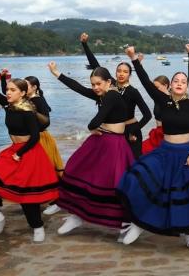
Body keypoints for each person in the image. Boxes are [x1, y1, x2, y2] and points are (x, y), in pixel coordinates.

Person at [117, 46, 189, 252]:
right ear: (170, 86)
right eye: (176, 81)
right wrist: (134, 59)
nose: (179, 84)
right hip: (165, 152)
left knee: (186, 198)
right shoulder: (164, 100)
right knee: (139, 178)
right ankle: (138, 223)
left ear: (187, 86)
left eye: (183, 81)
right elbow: (145, 81)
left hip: (187, 154)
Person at [47, 62, 135, 239]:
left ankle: (125, 224)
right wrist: (58, 74)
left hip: (113, 144)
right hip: (103, 141)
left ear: (108, 82)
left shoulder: (111, 96)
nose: (95, 88)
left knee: (112, 182)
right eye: (93, 84)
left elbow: (94, 122)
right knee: (78, 169)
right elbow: (78, 88)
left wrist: (92, 127)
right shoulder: (103, 94)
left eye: (98, 84)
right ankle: (77, 214)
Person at [0, 55, 59, 242]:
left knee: (26, 195)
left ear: (22, 93)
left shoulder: (28, 111)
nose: (8, 92)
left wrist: (19, 153)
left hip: (29, 152)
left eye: (12, 90)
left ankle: (38, 228)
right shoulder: (9, 106)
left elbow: (35, 137)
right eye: (8, 89)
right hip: (14, 150)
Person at [81, 33, 151, 158]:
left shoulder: (133, 91)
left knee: (132, 165)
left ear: (130, 74)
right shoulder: (111, 86)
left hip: (131, 130)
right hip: (115, 132)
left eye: (125, 72)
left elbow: (147, 115)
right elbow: (96, 65)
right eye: (119, 71)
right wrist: (85, 44)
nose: (121, 74)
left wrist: (134, 130)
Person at [141, 73, 169, 154]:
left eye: (157, 87)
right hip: (157, 133)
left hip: (166, 134)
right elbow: (146, 82)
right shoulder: (156, 98)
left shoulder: (173, 100)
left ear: (166, 85)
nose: (154, 90)